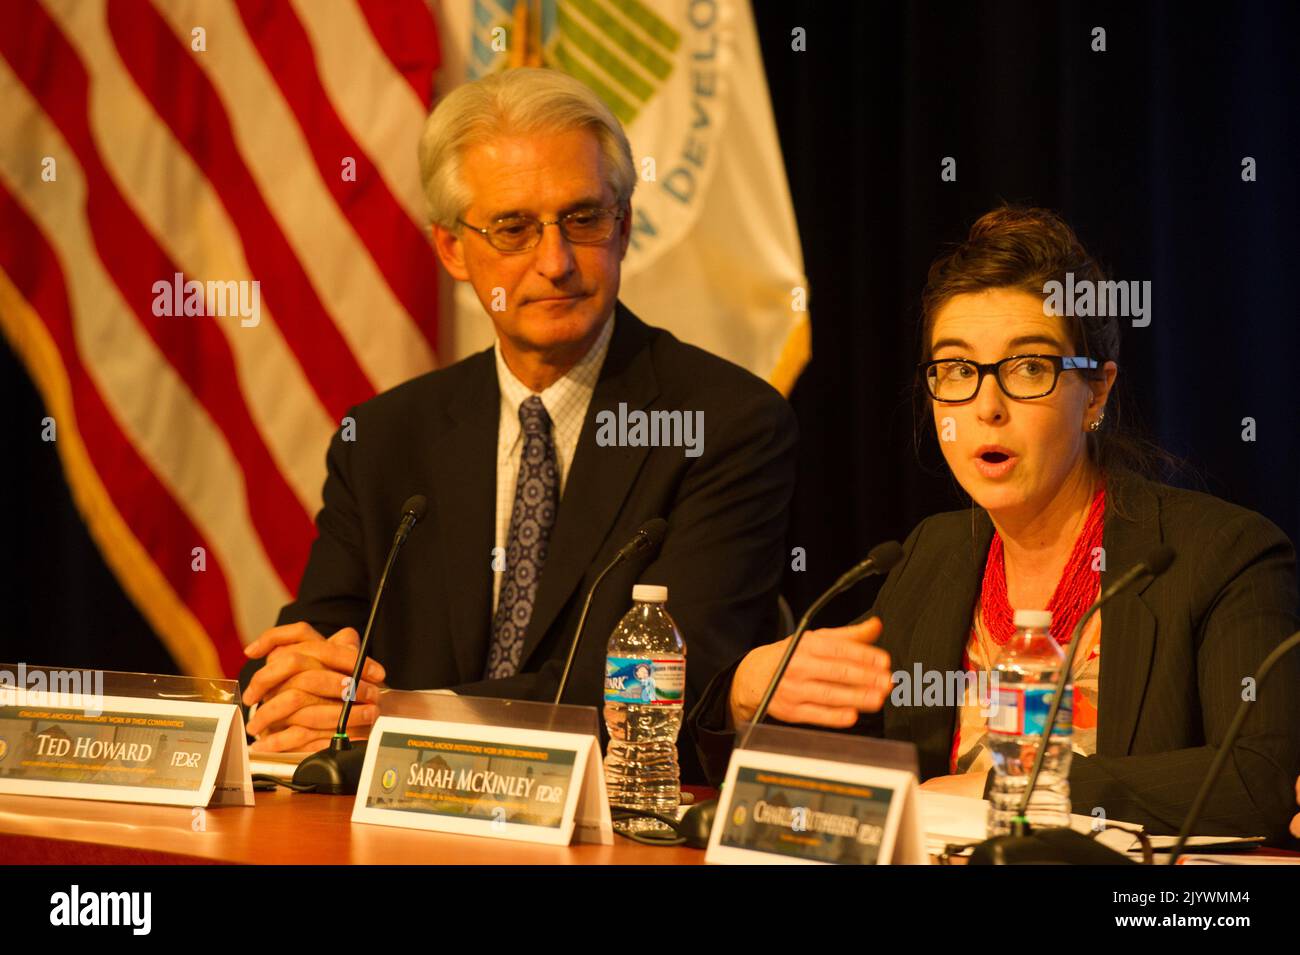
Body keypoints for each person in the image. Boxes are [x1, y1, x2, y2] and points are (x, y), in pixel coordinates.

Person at [239, 68, 798, 786]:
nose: (556, 262)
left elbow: (661, 688)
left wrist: (402, 714)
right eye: (514, 228)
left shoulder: (725, 425)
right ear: (451, 249)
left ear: (624, 225)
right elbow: (318, 643)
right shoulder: (384, 439)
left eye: (583, 218)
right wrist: (293, 687)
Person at [694, 206, 1300, 843]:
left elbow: (1261, 775)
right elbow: (843, 779)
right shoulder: (931, 555)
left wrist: (1019, 789)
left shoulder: (1221, 553)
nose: (987, 406)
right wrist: (742, 699)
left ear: (1095, 393)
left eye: (1028, 368)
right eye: (957, 369)